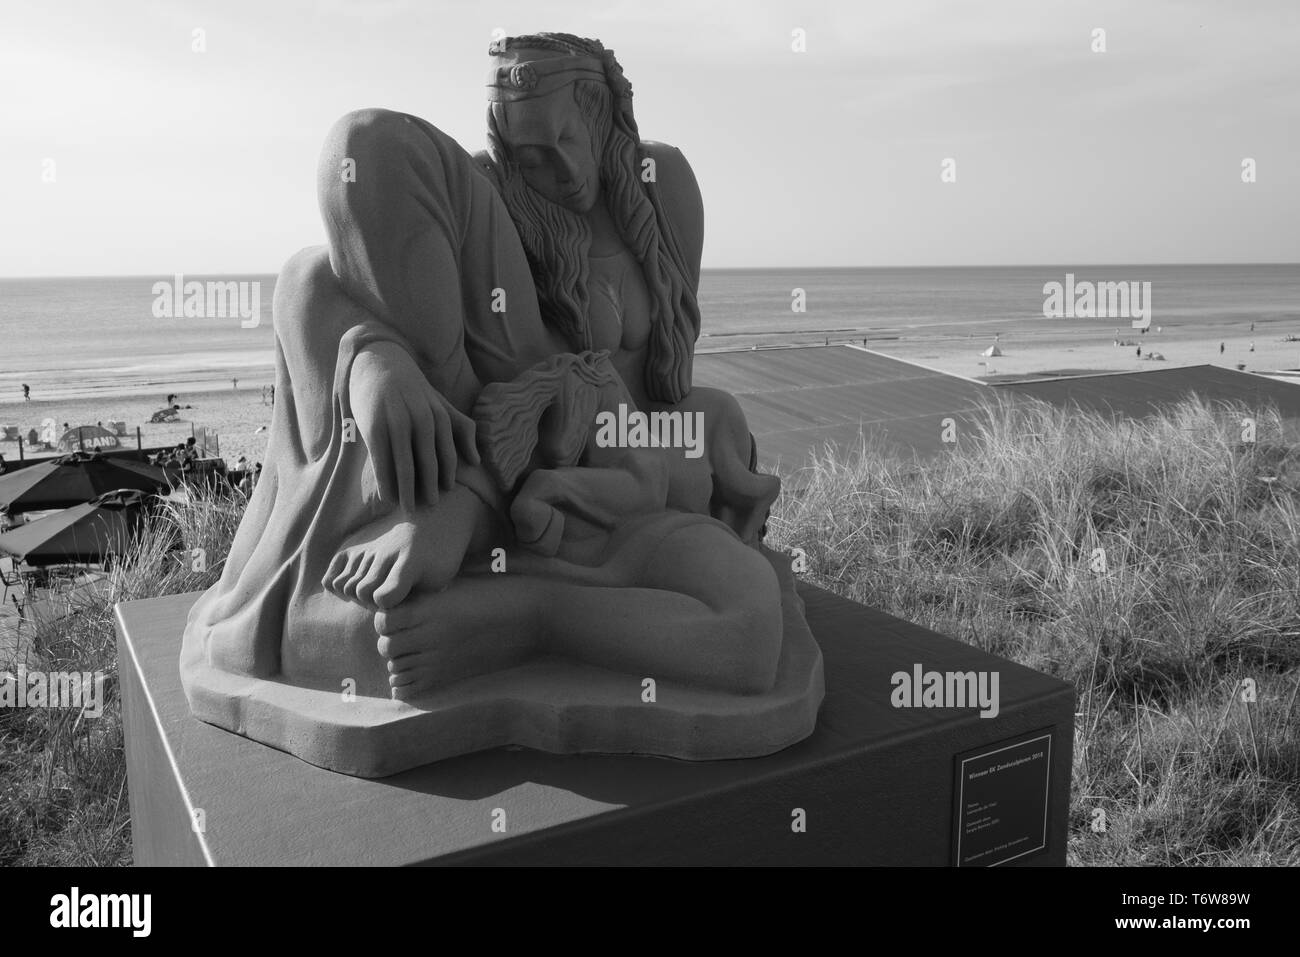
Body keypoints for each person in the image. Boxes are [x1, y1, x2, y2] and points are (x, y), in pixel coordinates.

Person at [188, 33, 783, 702]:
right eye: (530, 156)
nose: (556, 171)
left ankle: (516, 605)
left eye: (567, 141)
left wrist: (650, 458)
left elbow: (663, 404)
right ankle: (459, 497)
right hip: (487, 410)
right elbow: (309, 276)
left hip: (597, 485)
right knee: (363, 145)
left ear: (605, 118)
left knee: (750, 629)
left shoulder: (660, 185)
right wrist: (374, 362)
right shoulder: (493, 198)